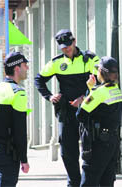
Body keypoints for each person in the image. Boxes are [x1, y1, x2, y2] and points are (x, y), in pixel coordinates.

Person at [34, 29, 100, 186]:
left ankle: (88, 182)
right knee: (67, 151)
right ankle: (74, 182)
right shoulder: (56, 62)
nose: (66, 49)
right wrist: (50, 96)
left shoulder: (90, 59)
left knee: (90, 149)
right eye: (63, 47)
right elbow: (39, 79)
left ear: (74, 41)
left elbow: (101, 81)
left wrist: (84, 98)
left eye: (68, 45)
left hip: (88, 109)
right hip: (67, 112)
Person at [0, 52, 30, 187]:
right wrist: (24, 160)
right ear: (16, 68)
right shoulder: (18, 93)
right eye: (24, 65)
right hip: (5, 151)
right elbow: (20, 129)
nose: (26, 68)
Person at [76, 56, 122, 187]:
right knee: (107, 181)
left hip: (98, 143)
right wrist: (92, 89)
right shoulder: (116, 89)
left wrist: (89, 91)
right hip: (112, 141)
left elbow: (80, 115)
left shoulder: (98, 92)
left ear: (101, 72)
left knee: (89, 178)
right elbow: (101, 107)